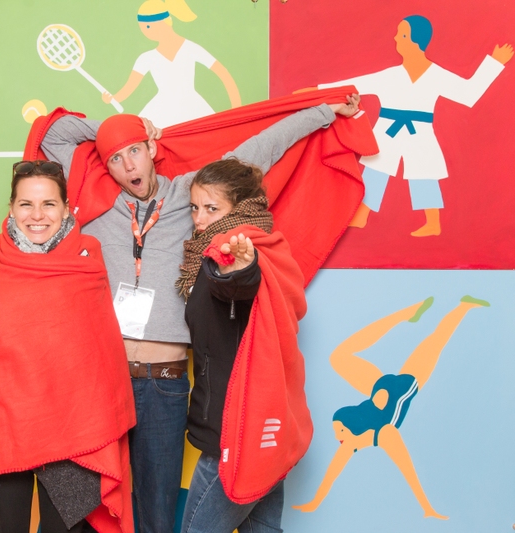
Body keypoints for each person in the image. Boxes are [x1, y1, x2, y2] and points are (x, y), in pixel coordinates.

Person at [37, 95, 360, 533]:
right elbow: (53, 134)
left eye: (135, 151)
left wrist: (323, 113)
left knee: (156, 507)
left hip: (164, 382)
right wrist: (116, 130)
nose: (128, 165)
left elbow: (260, 149)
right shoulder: (97, 203)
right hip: (102, 379)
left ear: (152, 149)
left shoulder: (193, 196)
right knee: (81, 498)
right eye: (115, 158)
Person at [0, 161, 136, 533]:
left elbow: (98, 348)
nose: (37, 215)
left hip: (73, 425)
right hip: (4, 421)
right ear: (12, 208)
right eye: (26, 204)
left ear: (66, 209)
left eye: (49, 204)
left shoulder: (87, 256)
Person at [173, 159, 297, 532]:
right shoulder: (221, 252)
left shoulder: (236, 252)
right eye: (195, 207)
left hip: (235, 428)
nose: (200, 219)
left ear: (240, 208)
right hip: (263, 426)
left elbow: (239, 285)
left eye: (212, 209)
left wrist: (237, 270)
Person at [293, 295, 489, 519]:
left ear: (353, 425)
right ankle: (464, 306)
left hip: (378, 387)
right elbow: (404, 468)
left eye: (340, 431)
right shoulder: (383, 434)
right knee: (436, 341)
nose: (338, 437)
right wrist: (427, 508)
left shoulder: (361, 436)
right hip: (406, 384)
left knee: (338, 357)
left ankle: (405, 314)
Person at [317, 15, 513, 236]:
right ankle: (362, 214)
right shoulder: (391, 76)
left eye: (401, 34)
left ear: (414, 40)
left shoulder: (436, 75)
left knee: (423, 169)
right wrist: (315, 91)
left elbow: (468, 94)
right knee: (376, 168)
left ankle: (433, 223)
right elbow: (352, 85)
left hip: (419, 130)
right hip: (388, 128)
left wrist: (494, 63)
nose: (395, 38)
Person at [102, 0, 240, 128]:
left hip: (193, 106)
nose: (145, 32)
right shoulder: (146, 58)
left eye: (148, 26)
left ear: (166, 21)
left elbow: (224, 74)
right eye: (142, 28)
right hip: (161, 110)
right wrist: (113, 98)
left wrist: (237, 111)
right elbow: (130, 86)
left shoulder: (190, 48)